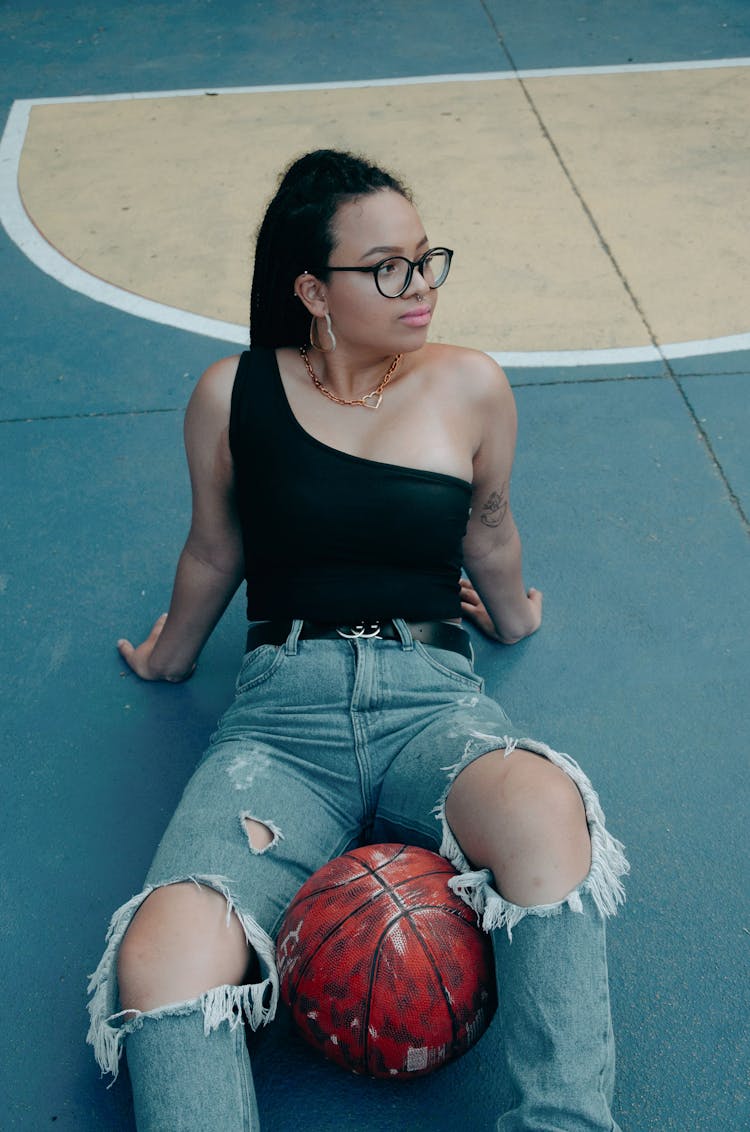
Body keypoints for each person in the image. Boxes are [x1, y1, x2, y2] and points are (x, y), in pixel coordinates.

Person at [87, 149, 628, 1131]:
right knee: (162, 949)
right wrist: (169, 654)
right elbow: (215, 552)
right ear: (311, 288)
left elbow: (491, 529)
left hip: (434, 703)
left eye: (427, 259)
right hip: (275, 735)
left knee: (548, 806)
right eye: (388, 267)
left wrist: (514, 616)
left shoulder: (469, 385)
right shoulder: (232, 393)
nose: (419, 286)